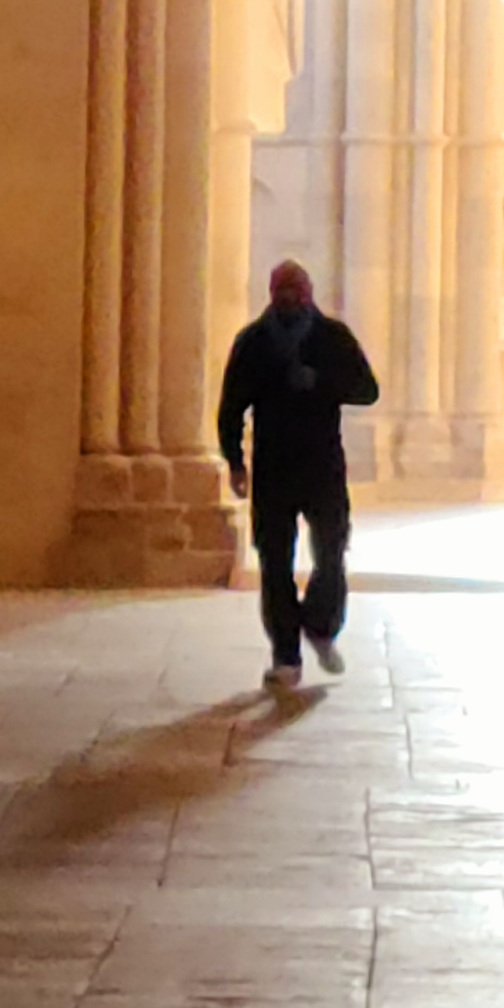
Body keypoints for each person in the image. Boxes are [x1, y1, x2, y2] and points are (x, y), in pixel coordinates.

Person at [215, 257, 379, 686]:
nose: (289, 296)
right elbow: (232, 405)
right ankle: (286, 653)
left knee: (331, 550)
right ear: (272, 293)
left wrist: (322, 382)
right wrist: (235, 460)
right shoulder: (253, 342)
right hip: (273, 466)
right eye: (282, 289)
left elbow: (367, 389)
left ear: (308, 293)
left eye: (296, 288)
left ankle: (320, 624)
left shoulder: (332, 338)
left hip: (322, 464)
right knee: (274, 560)